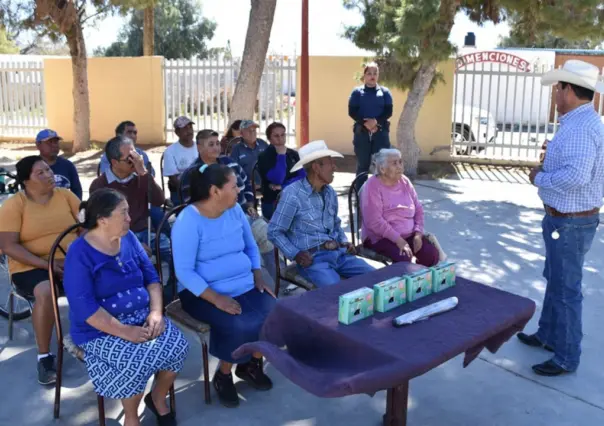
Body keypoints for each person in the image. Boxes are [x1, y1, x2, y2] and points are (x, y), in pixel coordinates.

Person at [63, 188, 189, 426]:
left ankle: (158, 399)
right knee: (134, 361)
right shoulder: (79, 253)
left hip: (141, 315)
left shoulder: (128, 237)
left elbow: (151, 277)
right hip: (99, 329)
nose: (130, 219)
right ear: (102, 220)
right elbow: (84, 307)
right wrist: (124, 331)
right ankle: (131, 418)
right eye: (124, 213)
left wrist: (155, 312)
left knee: (177, 346)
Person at [518, 60, 604, 377]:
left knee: (566, 289)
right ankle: (549, 335)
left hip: (569, 223)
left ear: (567, 89)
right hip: (565, 221)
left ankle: (566, 356)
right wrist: (551, 157)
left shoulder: (581, 128)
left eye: (558, 88)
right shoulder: (581, 123)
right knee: (555, 279)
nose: (555, 94)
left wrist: (540, 178)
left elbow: (577, 176)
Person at [172, 164, 275, 408]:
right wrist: (216, 298)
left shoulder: (235, 210)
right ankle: (224, 374)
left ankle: (249, 365)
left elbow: (251, 246)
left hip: (244, 283)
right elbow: (184, 272)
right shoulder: (188, 220)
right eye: (233, 186)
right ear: (215, 191)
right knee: (240, 323)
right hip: (201, 293)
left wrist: (258, 274)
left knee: (276, 314)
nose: (239, 190)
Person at [0, 155, 80, 385]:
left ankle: (96, 339)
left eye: (48, 170)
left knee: (103, 278)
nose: (49, 175)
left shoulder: (65, 196)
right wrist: (48, 266)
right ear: (26, 181)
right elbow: (8, 246)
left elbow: (86, 226)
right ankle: (44, 357)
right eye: (40, 173)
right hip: (29, 265)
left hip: (68, 260)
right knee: (46, 291)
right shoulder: (15, 205)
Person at [268, 140, 376, 287]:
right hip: (314, 259)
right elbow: (274, 231)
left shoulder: (330, 192)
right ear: (316, 167)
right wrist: (296, 254)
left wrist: (344, 241)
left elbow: (335, 223)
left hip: (339, 254)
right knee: (337, 293)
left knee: (378, 279)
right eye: (330, 163)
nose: (334, 167)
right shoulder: (293, 194)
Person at [180, 130, 277, 288]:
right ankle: (254, 283)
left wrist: (250, 204)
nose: (216, 147)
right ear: (199, 147)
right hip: (215, 225)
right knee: (249, 248)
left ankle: (276, 283)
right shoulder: (193, 174)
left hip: (243, 214)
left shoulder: (230, 164)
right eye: (211, 144)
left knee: (267, 234)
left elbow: (245, 185)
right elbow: (190, 205)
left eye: (217, 143)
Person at [90, 136, 169, 259]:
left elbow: (159, 200)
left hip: (145, 233)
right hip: (118, 238)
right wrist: (133, 245)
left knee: (173, 251)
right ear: (115, 162)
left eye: (135, 155)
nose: (135, 161)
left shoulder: (140, 177)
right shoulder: (100, 186)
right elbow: (103, 226)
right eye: (129, 159)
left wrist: (143, 173)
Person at [360, 149, 439, 267]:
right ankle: (401, 283)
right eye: (394, 163)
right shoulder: (372, 186)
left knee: (431, 254)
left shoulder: (404, 181)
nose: (399, 166)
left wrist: (418, 234)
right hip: (380, 238)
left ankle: (419, 280)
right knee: (403, 257)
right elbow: (374, 221)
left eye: (400, 162)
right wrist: (399, 240)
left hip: (409, 235)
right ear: (382, 169)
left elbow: (418, 209)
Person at [348, 62, 393, 190]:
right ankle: (361, 196)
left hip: (380, 133)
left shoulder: (385, 92)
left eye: (375, 73)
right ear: (364, 75)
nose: (372, 76)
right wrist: (365, 124)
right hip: (362, 132)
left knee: (381, 165)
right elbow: (352, 112)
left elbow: (388, 111)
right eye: (369, 73)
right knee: (363, 166)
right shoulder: (357, 92)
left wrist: (375, 122)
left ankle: (381, 194)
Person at [256, 122, 306, 220]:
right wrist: (281, 156)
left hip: (294, 199)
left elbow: (303, 176)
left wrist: (284, 186)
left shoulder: (293, 154)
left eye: (283, 134)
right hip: (273, 203)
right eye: (276, 136)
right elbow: (278, 179)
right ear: (269, 139)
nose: (280, 138)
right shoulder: (264, 156)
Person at [35, 129, 82, 199]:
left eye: (56, 142)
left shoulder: (68, 165)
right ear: (38, 145)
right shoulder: (32, 166)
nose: (54, 145)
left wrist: (76, 207)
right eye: (49, 142)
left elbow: (77, 190)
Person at [163, 116, 198, 204]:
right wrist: (190, 191)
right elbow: (173, 179)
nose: (189, 131)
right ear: (177, 132)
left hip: (201, 188)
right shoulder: (170, 151)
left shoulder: (200, 146)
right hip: (181, 191)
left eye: (190, 127)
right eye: (185, 128)